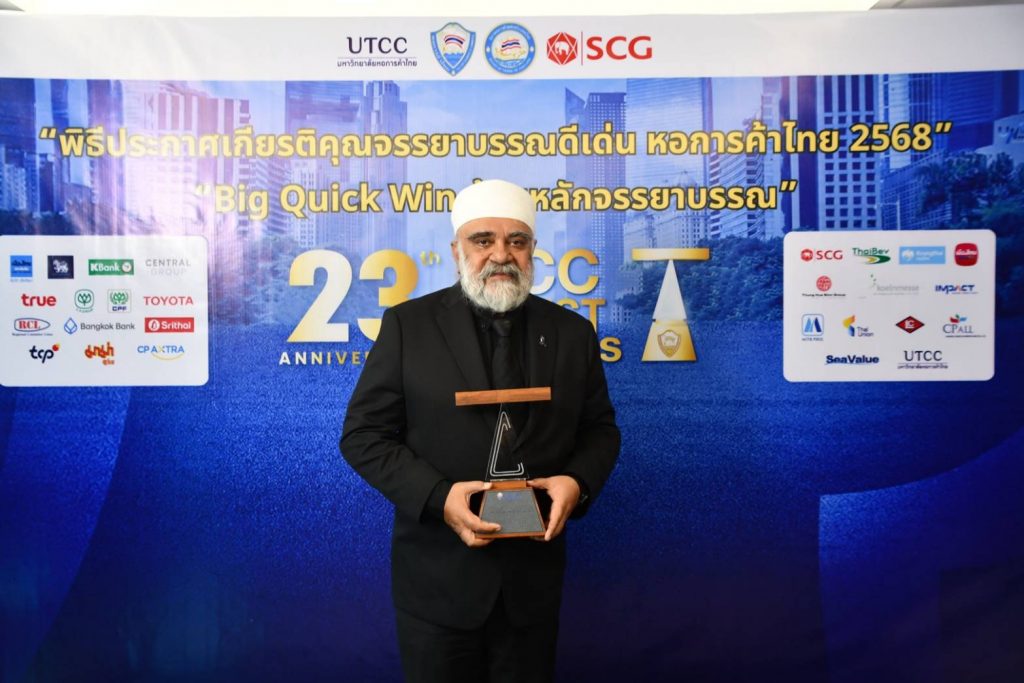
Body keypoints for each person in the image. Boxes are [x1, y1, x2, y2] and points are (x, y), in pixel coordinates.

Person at [340, 178, 620, 683]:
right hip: (437, 587)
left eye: (517, 241)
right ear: (457, 251)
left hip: (531, 589)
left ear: (533, 249)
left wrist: (576, 482)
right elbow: (363, 435)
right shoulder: (408, 326)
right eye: (483, 240)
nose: (501, 254)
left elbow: (600, 430)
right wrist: (438, 497)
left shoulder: (571, 333)